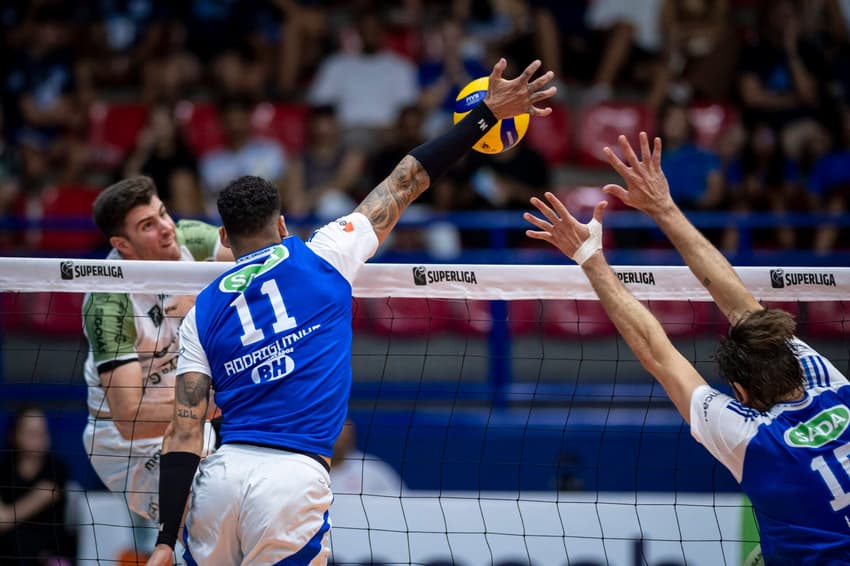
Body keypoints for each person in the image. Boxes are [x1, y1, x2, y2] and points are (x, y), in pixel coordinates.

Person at [146, 57, 556, 566]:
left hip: (220, 479)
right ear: (282, 226)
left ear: (225, 237)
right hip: (291, 480)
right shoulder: (324, 254)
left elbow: (184, 431)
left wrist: (164, 539)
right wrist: (486, 115)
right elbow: (407, 180)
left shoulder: (201, 311)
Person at [523, 131, 850, 565]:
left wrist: (590, 257)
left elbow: (658, 353)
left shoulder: (755, 440)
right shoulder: (834, 387)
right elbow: (741, 305)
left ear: (741, 392)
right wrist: (663, 206)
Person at [82, 176, 231, 525]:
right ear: (122, 244)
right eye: (148, 225)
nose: (167, 228)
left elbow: (270, 260)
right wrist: (218, 404)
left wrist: (207, 299)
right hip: (128, 445)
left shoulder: (189, 239)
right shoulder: (109, 302)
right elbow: (130, 419)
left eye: (163, 213)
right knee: (204, 522)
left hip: (189, 414)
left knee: (242, 511)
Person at [0, 406, 73, 565]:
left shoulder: (56, 469)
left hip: (49, 550)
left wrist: (6, 517)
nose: (38, 438)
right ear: (14, 434)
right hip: (8, 550)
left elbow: (5, 519)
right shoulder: (4, 470)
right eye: (31, 432)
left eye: (42, 432)